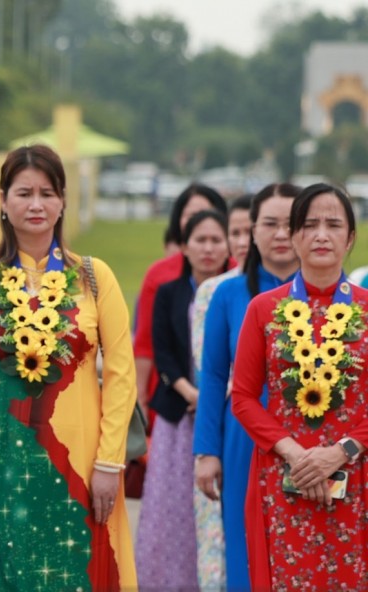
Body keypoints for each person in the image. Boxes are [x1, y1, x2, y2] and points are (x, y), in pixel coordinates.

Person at [0, 144, 138, 590]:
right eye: (24, 193)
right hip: (0, 468)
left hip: (84, 463)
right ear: (2, 200)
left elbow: (121, 374)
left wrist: (109, 463)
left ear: (62, 201)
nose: (36, 204)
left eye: (47, 193)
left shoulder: (94, 277)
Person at [231, 183, 368, 591]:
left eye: (333, 225)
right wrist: (296, 455)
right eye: (309, 225)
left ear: (350, 238)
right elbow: (243, 397)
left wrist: (340, 452)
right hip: (284, 477)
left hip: (358, 475)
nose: (321, 235)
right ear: (293, 237)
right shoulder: (263, 309)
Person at [194, 183, 300, 592]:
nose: (280, 234)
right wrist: (206, 451)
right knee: (244, 541)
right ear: (252, 230)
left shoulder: (330, 296)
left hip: (311, 435)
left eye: (291, 224)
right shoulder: (228, 293)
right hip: (244, 435)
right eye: (269, 224)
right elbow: (213, 375)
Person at [135, 210, 231, 589]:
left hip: (225, 413)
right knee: (170, 507)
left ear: (228, 246)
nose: (208, 248)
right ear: (184, 247)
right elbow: (162, 352)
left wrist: (216, 397)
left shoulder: (236, 292)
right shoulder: (169, 292)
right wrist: (194, 394)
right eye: (200, 240)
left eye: (216, 240)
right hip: (178, 416)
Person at [187, 192, 251, 587]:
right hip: (228, 418)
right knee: (219, 533)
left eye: (250, 231)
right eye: (236, 232)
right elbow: (208, 368)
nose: (243, 241)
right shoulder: (216, 290)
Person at [133, 184, 228, 422]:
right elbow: (145, 341)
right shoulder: (160, 275)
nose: (201, 221)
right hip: (172, 395)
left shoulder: (237, 275)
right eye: (191, 215)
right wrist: (139, 396)